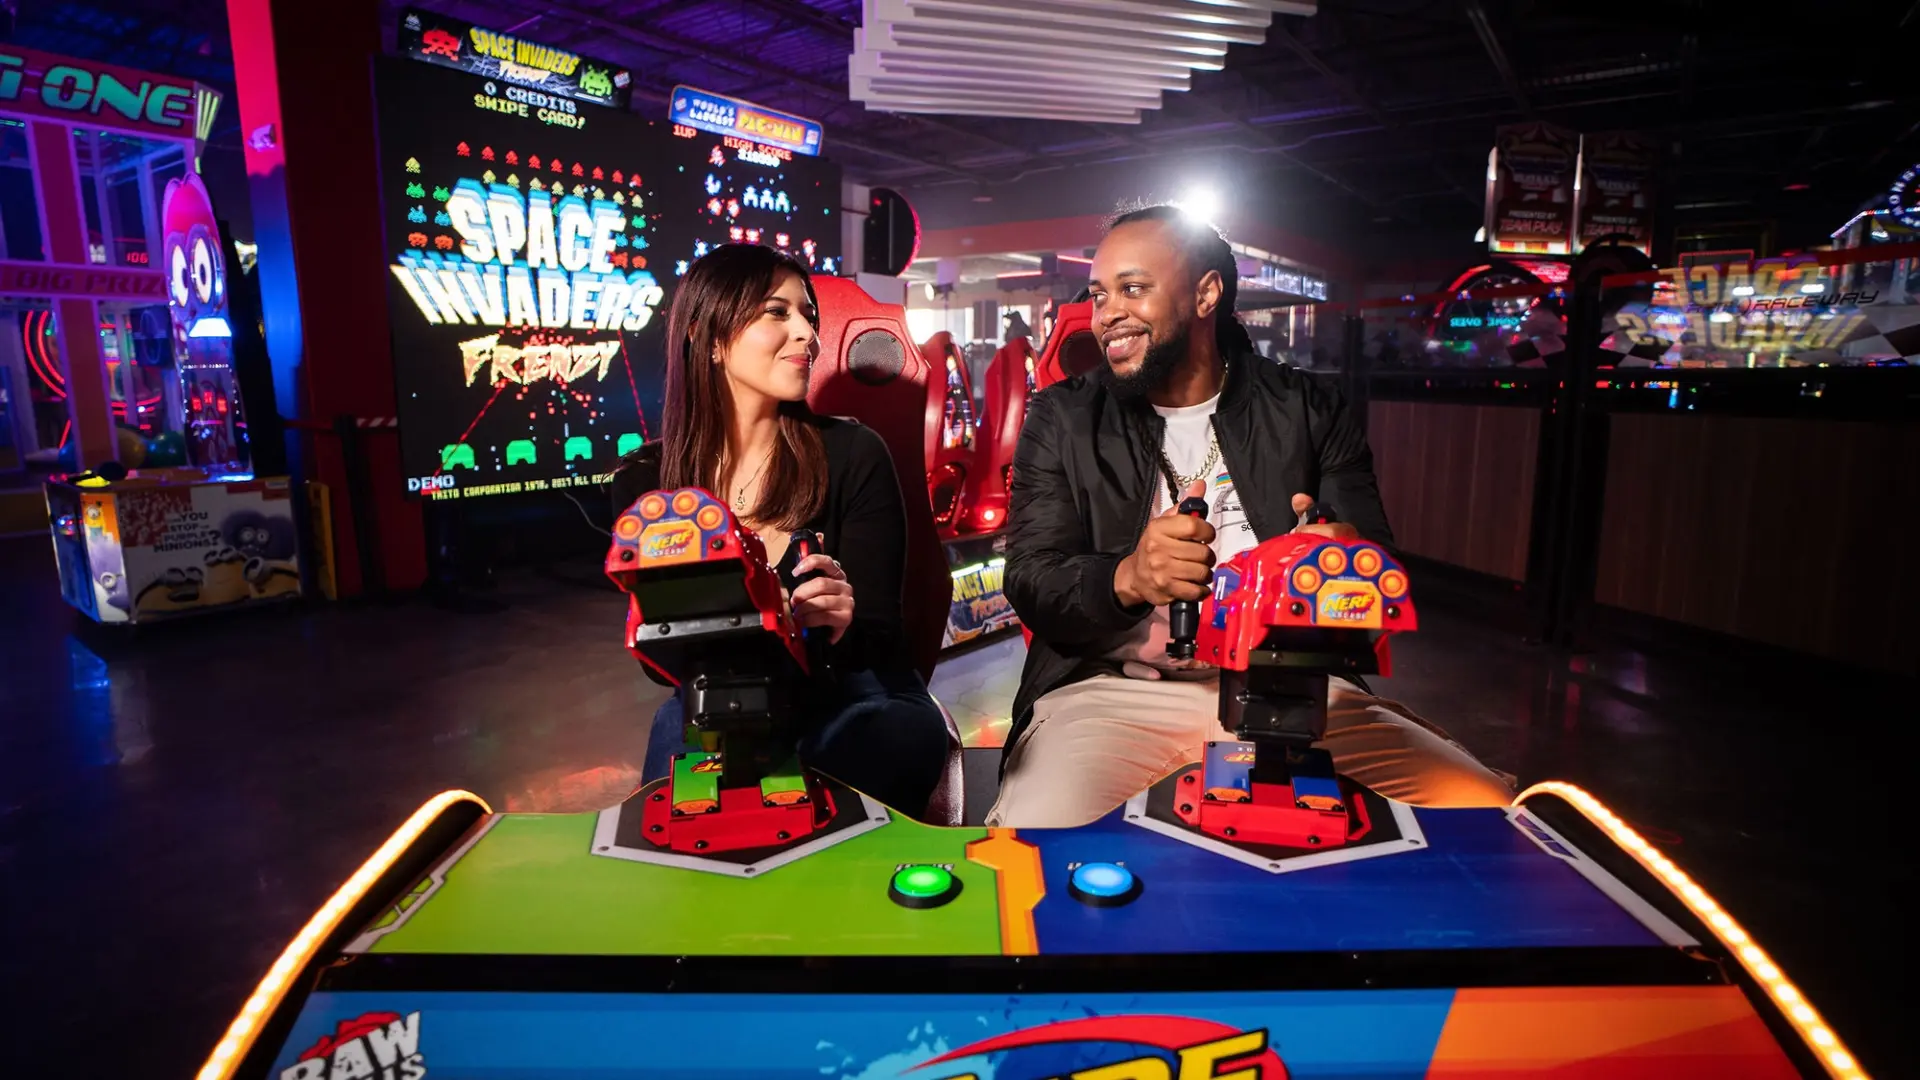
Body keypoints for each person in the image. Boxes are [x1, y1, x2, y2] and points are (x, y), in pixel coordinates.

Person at [988, 205, 1514, 828]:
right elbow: (1030, 580)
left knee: (1491, 814)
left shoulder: (1309, 408)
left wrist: (1341, 565)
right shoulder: (1064, 416)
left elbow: (1377, 575)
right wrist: (1128, 579)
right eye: (1100, 295)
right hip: (1113, 693)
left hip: (1298, 695)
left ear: (1206, 293)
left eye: (1133, 288)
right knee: (1035, 838)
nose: (1108, 314)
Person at [611, 244, 949, 817]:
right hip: (720, 705)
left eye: (809, 316)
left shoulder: (853, 452)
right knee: (675, 759)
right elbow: (656, 664)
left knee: (880, 738)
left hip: (858, 694)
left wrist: (840, 615)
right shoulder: (648, 481)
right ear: (709, 336)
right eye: (777, 312)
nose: (807, 334)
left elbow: (883, 639)